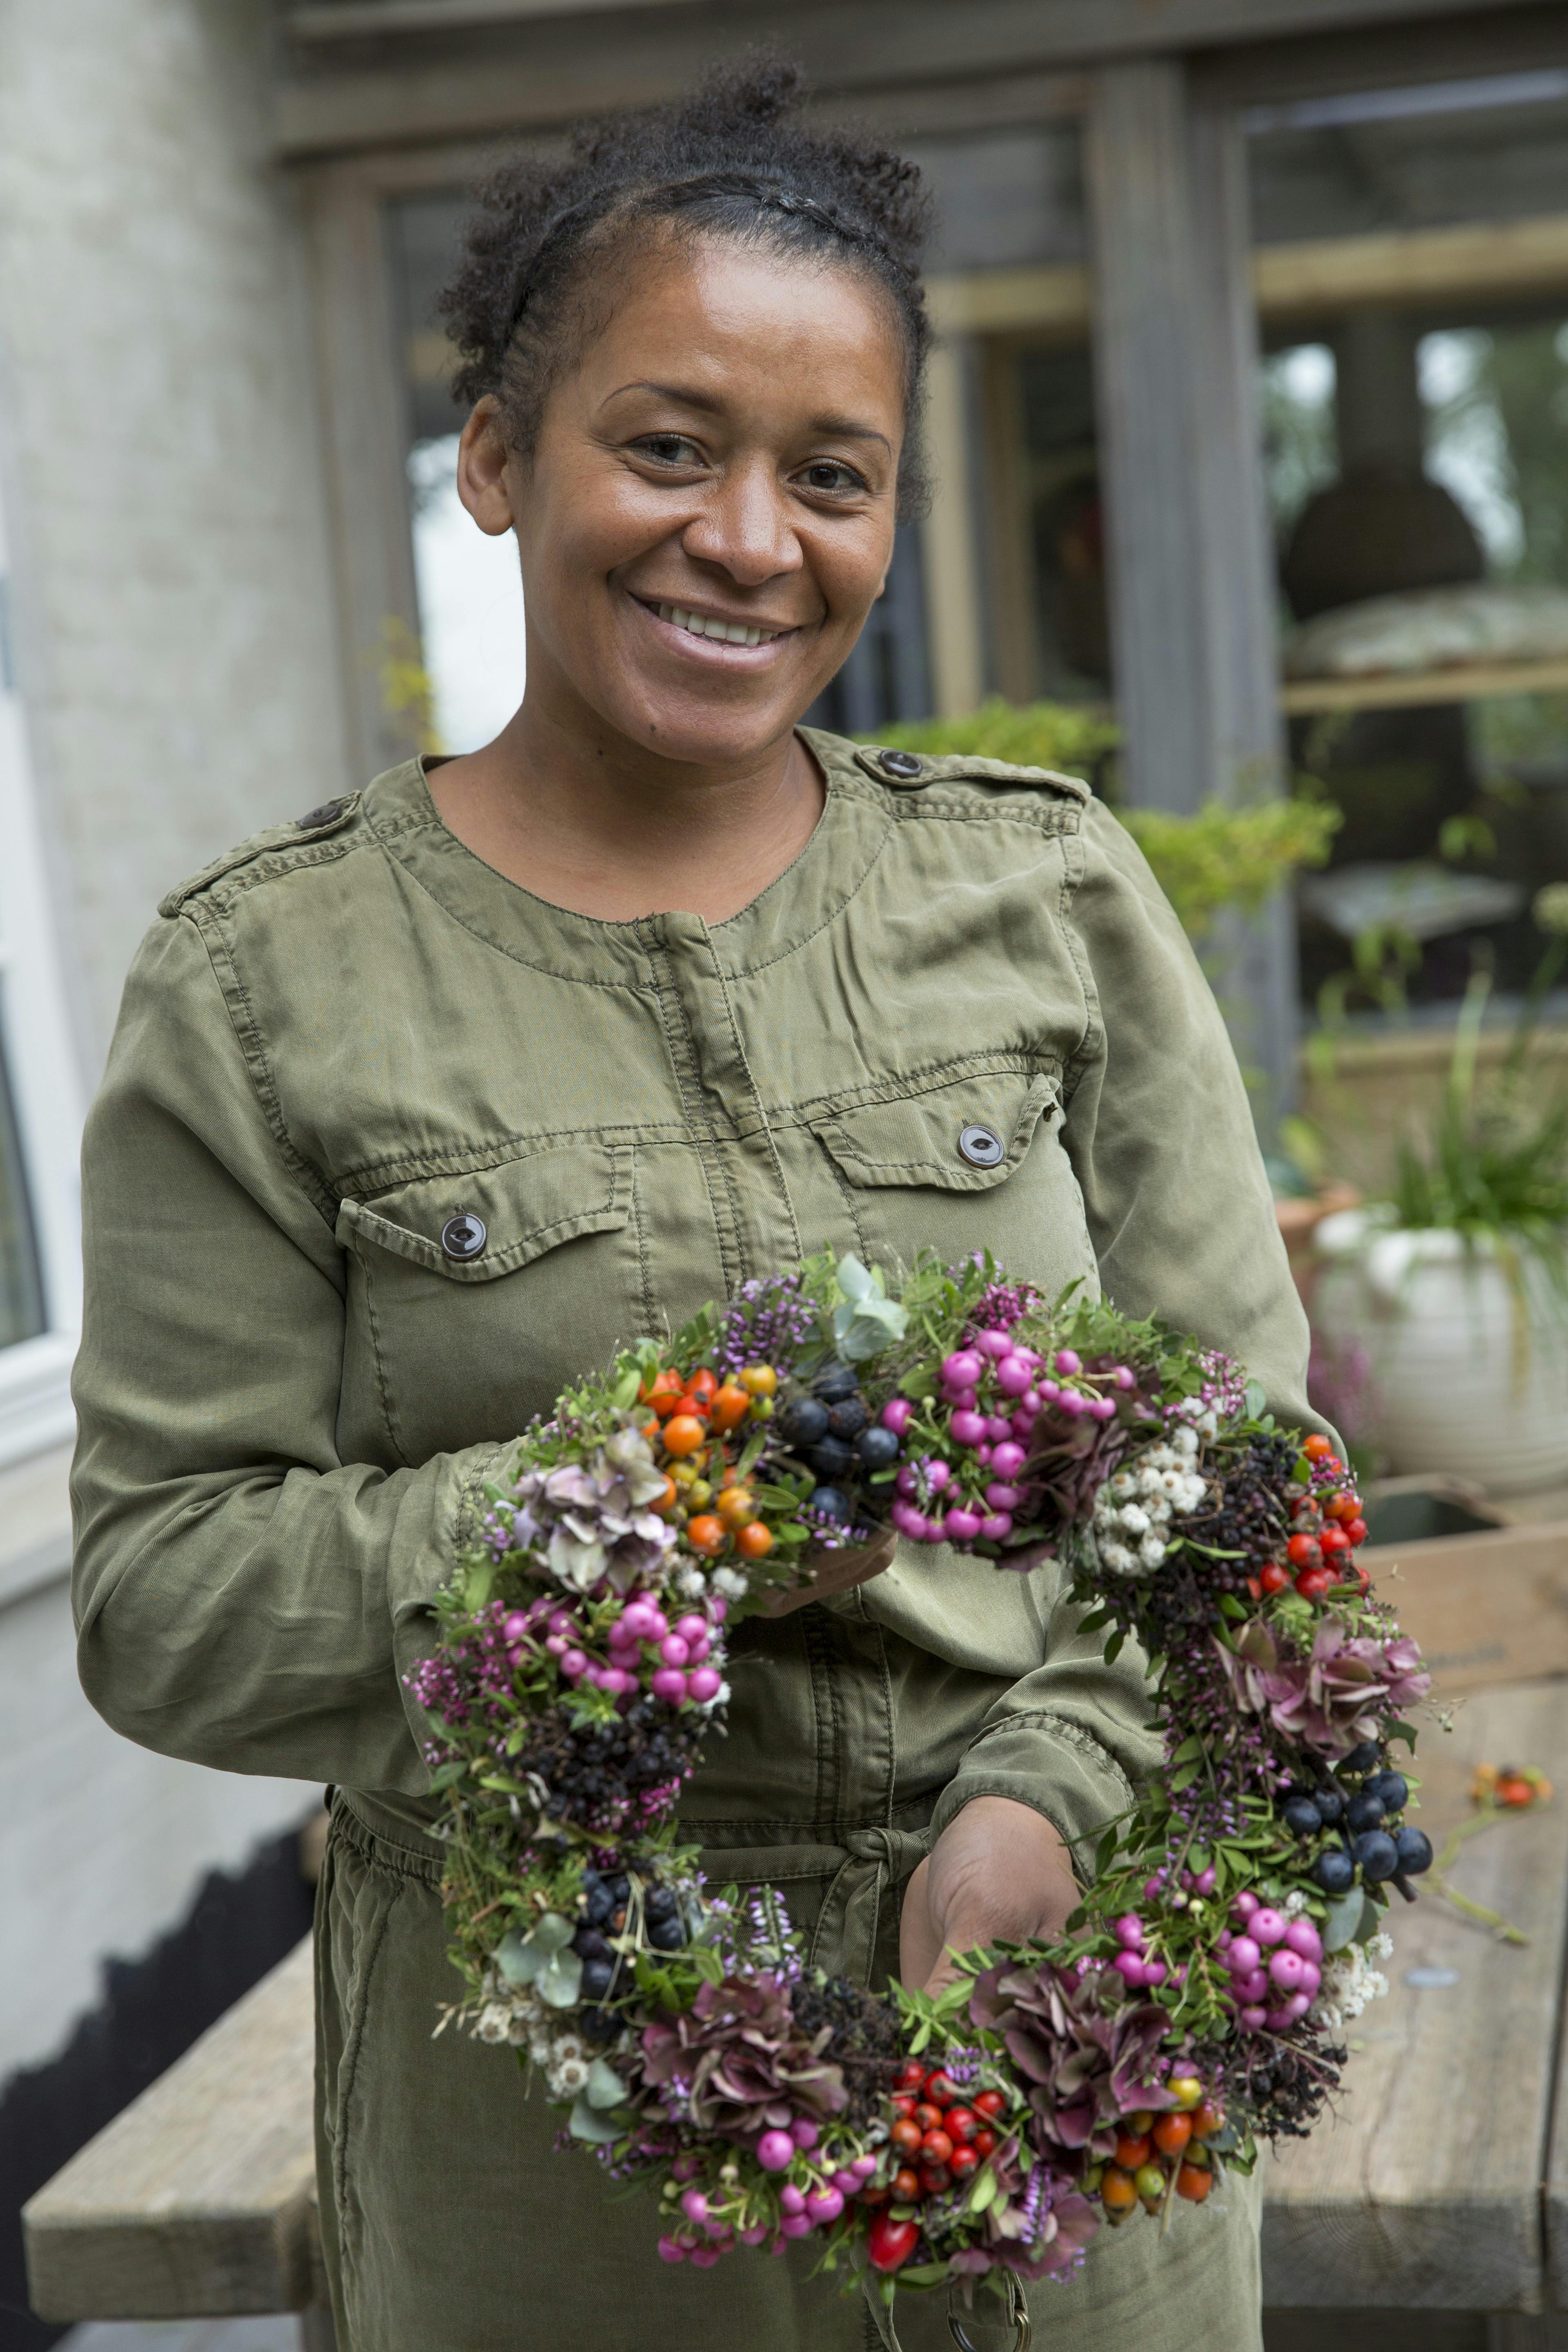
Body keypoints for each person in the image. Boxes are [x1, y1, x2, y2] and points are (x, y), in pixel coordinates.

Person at [72, 57, 1309, 2352]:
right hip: (559, 2142)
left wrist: (1054, 1786)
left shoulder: (1040, 893)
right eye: (670, 444)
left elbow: (1243, 1447)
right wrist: (613, 1528)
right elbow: (159, 1591)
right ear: (497, 458)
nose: (755, 536)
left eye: (833, 477)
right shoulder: (268, 986)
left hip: (1058, 2034)